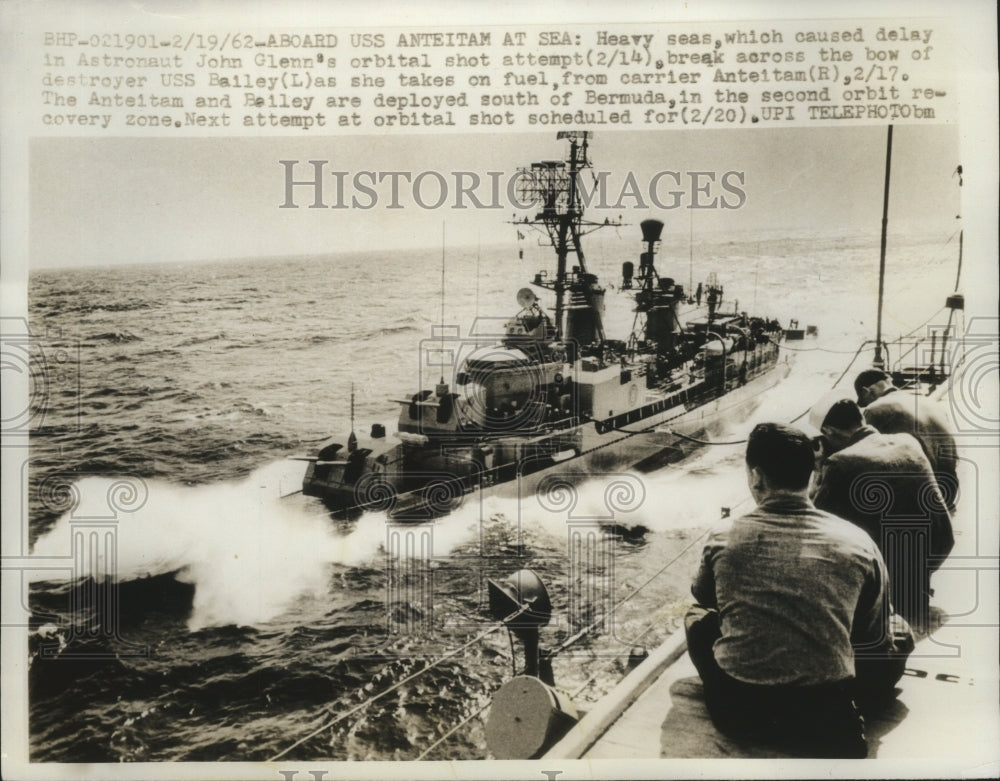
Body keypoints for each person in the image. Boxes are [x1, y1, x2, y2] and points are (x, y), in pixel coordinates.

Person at [685, 423, 909, 759]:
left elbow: (704, 597)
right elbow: (872, 636)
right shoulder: (858, 541)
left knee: (696, 617)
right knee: (898, 631)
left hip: (739, 713)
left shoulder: (722, 536)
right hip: (824, 719)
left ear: (756, 476)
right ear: (812, 473)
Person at [809, 393, 954, 627]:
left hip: (887, 586)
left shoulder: (839, 463)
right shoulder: (907, 441)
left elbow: (813, 523)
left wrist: (818, 468)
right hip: (933, 555)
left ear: (829, 433)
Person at [854, 368, 959, 511]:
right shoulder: (930, 402)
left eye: (864, 402)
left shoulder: (874, 409)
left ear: (866, 391)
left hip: (921, 498)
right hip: (949, 491)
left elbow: (857, 453)